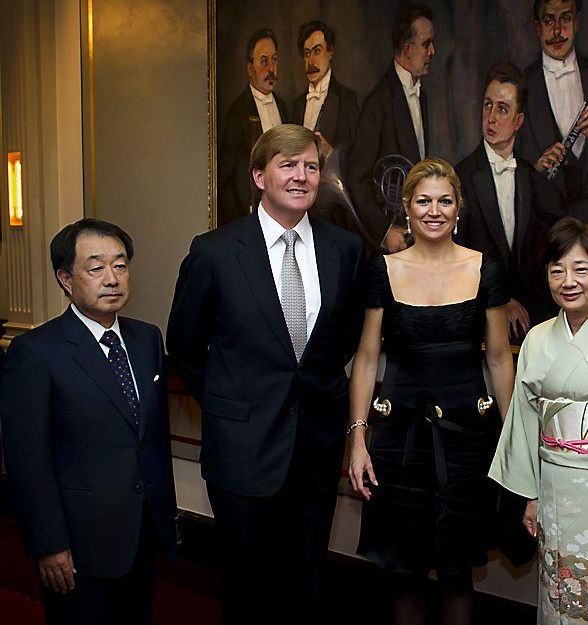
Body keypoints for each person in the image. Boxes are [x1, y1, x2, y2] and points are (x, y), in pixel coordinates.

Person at [167, 124, 367, 625]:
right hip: (242, 450)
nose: (302, 176)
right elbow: (186, 348)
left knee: (304, 585)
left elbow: (338, 341)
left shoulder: (344, 250)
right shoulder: (214, 252)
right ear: (259, 175)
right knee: (246, 587)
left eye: (311, 166)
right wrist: (231, 403)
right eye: (288, 164)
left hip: (316, 449)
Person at [347, 157, 514, 625]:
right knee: (405, 572)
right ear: (407, 207)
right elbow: (365, 357)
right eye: (424, 201)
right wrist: (358, 438)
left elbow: (499, 357)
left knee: (458, 571)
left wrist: (511, 436)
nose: (434, 210)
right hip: (398, 437)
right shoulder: (383, 270)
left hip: (468, 437)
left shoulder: (485, 268)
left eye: (445, 200)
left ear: (458, 207)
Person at [0, 219, 177, 624]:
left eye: (120, 265)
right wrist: (49, 545)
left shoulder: (146, 338)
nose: (112, 279)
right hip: (79, 545)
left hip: (142, 533)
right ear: (66, 279)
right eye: (96, 268)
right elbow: (28, 461)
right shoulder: (36, 352)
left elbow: (149, 438)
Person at [489, 217, 588, 624]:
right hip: (553, 483)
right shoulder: (537, 337)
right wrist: (531, 495)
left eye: (581, 269)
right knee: (557, 590)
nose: (568, 281)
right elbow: (524, 419)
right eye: (557, 271)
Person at [456, 61, 555, 338]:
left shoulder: (527, 175)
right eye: (488, 105)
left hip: (530, 319)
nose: (491, 118)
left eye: (502, 109)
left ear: (519, 121)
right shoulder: (460, 175)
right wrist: (500, 299)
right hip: (479, 315)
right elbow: (457, 256)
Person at [519, 0, 588, 227]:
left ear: (577, 23)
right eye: (549, 21)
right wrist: (537, 168)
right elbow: (510, 160)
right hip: (545, 226)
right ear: (537, 28)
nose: (557, 31)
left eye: (566, 19)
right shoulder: (521, 84)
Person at [348, 3, 436, 254]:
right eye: (426, 44)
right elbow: (357, 178)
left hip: (413, 231)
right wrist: (385, 230)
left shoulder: (421, 95)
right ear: (407, 50)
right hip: (390, 242)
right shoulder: (377, 103)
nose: (433, 51)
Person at [219, 28, 289, 226]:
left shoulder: (283, 107)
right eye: (264, 61)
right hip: (250, 216)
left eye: (274, 60)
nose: (271, 69)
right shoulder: (237, 113)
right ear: (250, 68)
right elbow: (226, 180)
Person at [291, 20, 360, 156]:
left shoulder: (347, 100)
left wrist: (331, 154)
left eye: (317, 51)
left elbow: (358, 155)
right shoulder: (298, 104)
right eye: (306, 53)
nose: (311, 61)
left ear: (330, 52)